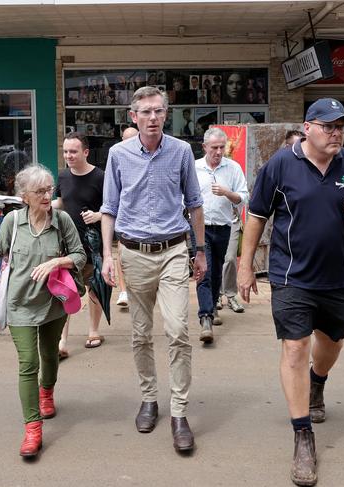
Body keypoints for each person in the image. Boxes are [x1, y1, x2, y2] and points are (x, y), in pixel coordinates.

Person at [237, 98, 344, 486]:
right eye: (329, 126)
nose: (336, 132)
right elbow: (256, 215)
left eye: (341, 126)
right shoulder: (280, 164)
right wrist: (245, 265)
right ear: (308, 127)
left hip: (339, 277)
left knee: (332, 343)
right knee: (294, 347)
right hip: (291, 277)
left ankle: (317, 382)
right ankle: (303, 434)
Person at [100, 86, 207, 453]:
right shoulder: (118, 155)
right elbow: (109, 208)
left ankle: (179, 412)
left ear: (166, 115)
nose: (152, 118)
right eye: (145, 112)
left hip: (174, 250)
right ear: (133, 116)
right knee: (141, 334)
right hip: (132, 253)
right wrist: (107, 255)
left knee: (178, 330)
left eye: (159, 112)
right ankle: (149, 398)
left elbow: (194, 203)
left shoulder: (180, 151)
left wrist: (201, 250)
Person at [0, 164, 86, 458]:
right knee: (28, 363)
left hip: (53, 304)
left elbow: (80, 256)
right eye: (40, 191)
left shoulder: (62, 221)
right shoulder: (12, 221)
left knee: (49, 356)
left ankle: (47, 391)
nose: (47, 196)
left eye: (49, 189)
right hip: (19, 303)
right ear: (25, 196)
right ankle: (33, 429)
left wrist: (56, 263)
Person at [52, 132, 106, 358]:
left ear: (85, 152)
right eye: (65, 151)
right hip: (67, 243)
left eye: (73, 151)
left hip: (94, 242)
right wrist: (42, 205)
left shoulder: (101, 176)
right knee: (65, 289)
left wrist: (98, 215)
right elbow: (61, 201)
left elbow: (115, 206)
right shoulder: (63, 176)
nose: (68, 156)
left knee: (96, 288)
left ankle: (93, 331)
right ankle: (62, 340)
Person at [194, 128, 248, 343]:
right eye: (214, 147)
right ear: (205, 147)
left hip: (224, 226)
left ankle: (213, 304)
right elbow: (183, 196)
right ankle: (205, 317)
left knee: (217, 269)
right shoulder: (194, 167)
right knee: (204, 271)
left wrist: (227, 192)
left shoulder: (233, 168)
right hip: (200, 227)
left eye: (221, 147)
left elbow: (243, 198)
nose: (218, 151)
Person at [115, 126, 139, 308]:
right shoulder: (116, 159)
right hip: (124, 219)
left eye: (132, 139)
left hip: (144, 220)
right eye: (125, 139)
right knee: (122, 254)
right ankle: (123, 291)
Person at [217, 207, 245, 314]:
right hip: (212, 220)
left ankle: (231, 295)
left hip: (232, 220)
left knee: (230, 258)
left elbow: (243, 197)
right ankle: (216, 295)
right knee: (216, 258)